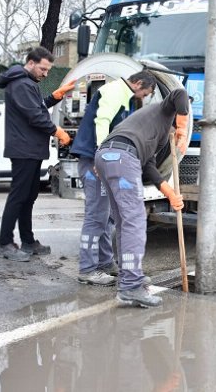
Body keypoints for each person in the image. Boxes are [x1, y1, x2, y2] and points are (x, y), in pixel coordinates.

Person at [95, 88, 190, 307]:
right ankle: (131, 285)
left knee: (124, 222)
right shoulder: (164, 110)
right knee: (135, 222)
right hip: (122, 158)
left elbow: (148, 166)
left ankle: (128, 275)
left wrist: (170, 194)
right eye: (182, 117)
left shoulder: (152, 130)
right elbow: (179, 94)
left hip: (106, 156)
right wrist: (183, 131)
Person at [73, 71, 157, 286]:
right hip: (95, 160)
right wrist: (101, 155)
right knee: (96, 216)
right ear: (138, 83)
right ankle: (88, 269)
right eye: (145, 93)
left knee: (107, 215)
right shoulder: (114, 91)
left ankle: (105, 262)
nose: (144, 97)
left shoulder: (125, 96)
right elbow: (102, 121)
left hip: (100, 159)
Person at [0, 46, 74, 262]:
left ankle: (28, 241)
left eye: (48, 70)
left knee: (28, 197)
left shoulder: (27, 83)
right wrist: (58, 131)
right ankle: (4, 244)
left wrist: (54, 97)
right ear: (30, 63)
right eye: (43, 69)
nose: (45, 74)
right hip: (24, 150)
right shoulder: (20, 84)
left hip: (30, 149)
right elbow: (35, 117)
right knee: (18, 197)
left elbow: (37, 107)